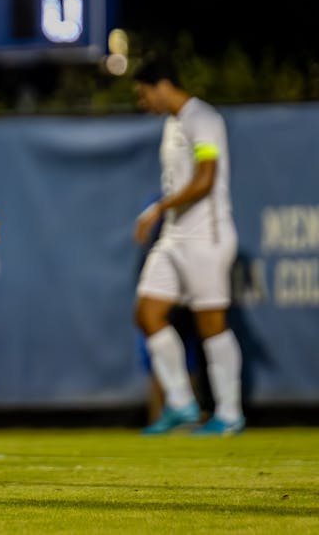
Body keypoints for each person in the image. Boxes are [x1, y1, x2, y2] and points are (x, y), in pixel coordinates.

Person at [132, 55, 245, 436]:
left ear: (162, 86)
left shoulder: (204, 118)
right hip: (175, 237)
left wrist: (157, 209)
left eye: (144, 93)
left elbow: (206, 180)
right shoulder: (171, 124)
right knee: (147, 312)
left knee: (211, 324)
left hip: (206, 237)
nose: (143, 102)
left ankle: (229, 413)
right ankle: (180, 403)